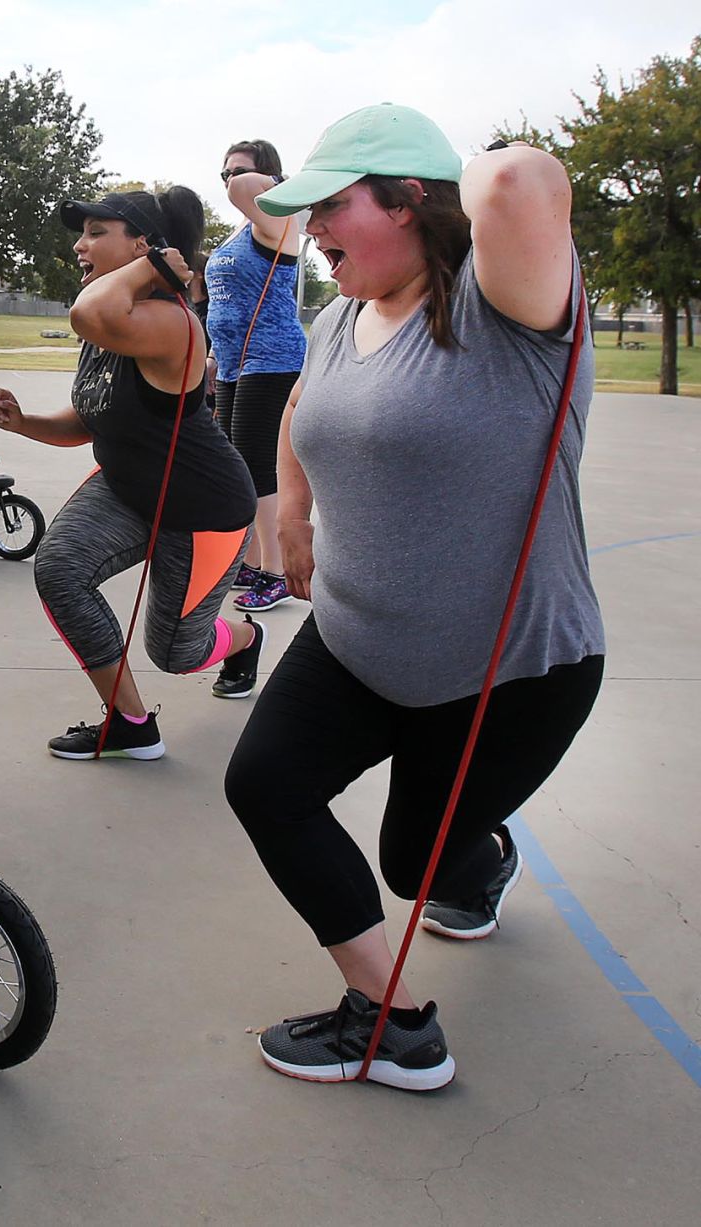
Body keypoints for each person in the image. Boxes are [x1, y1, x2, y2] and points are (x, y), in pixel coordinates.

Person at [223, 104, 605, 1090]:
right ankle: (387, 1020)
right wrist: (297, 511)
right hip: (355, 635)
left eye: (333, 207)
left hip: (508, 668)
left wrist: (434, 173)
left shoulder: (508, 305)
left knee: (418, 866)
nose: (311, 231)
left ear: (411, 202)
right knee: (264, 783)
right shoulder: (340, 314)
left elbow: (519, 181)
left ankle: (474, 861)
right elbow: (306, 404)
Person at [0, 187, 265, 762]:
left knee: (177, 654)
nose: (79, 244)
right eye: (81, 232)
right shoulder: (111, 323)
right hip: (125, 486)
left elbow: (87, 312)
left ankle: (244, 637)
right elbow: (91, 420)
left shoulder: (170, 323)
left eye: (95, 231)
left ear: (142, 244)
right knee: (60, 571)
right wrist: (24, 423)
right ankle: (131, 722)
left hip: (201, 508)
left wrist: (152, 270)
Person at [205, 139, 310, 611]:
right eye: (223, 173)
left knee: (256, 466)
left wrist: (267, 182)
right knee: (235, 466)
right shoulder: (238, 232)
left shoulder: (279, 222)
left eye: (239, 171)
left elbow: (247, 188)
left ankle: (275, 570)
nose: (230, 181)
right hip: (231, 362)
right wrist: (211, 354)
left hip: (271, 359)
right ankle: (249, 560)